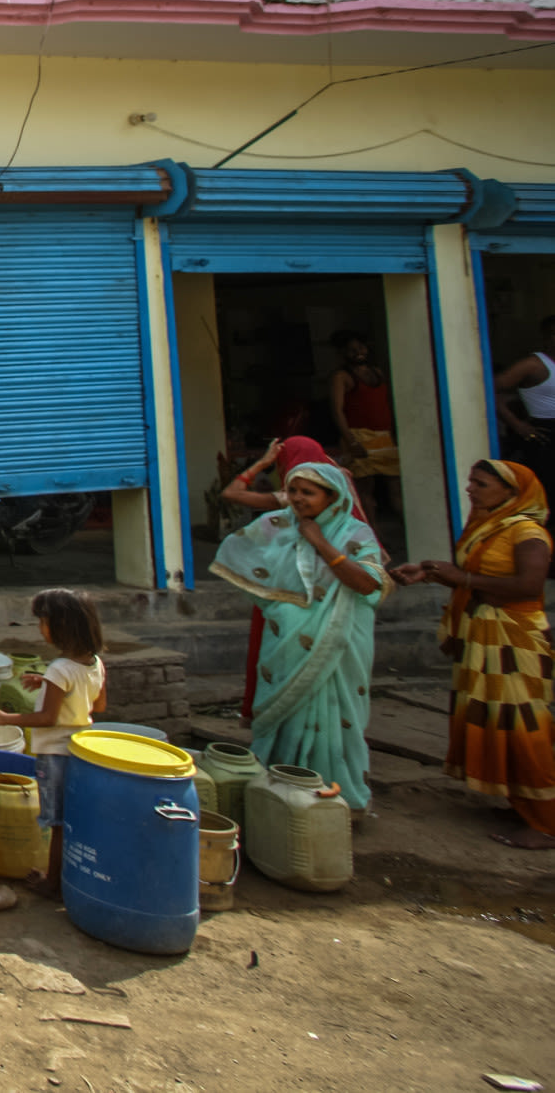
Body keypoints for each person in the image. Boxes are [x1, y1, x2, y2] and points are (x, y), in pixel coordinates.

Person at [390, 460, 555, 849]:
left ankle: (546, 823)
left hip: (514, 640)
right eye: (471, 483)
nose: (471, 490)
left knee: (523, 727)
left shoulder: (528, 532)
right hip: (485, 634)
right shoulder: (487, 526)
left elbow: (529, 585)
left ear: (511, 494)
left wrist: (460, 579)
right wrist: (431, 573)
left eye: (480, 484)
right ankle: (523, 803)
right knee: (497, 721)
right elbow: (475, 573)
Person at [211, 460, 389, 811]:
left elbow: (370, 584)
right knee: (283, 714)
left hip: (340, 640)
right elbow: (238, 558)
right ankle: (279, 793)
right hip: (288, 639)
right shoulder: (277, 525)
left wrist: (320, 543)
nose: (297, 498)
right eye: (292, 490)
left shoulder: (356, 535)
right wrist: (281, 607)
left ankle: (337, 798)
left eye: (308, 492)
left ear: (332, 496)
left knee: (336, 716)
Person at [0, 588, 107, 886]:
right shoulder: (94, 663)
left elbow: (47, 718)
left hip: (54, 754)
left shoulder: (60, 669)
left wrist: (5, 718)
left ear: (63, 626)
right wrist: (50, 685)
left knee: (56, 821)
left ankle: (52, 883)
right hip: (80, 750)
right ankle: (64, 877)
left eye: (43, 622)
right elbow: (98, 705)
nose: (40, 629)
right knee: (71, 818)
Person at [329, 329, 400, 526]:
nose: (357, 352)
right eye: (351, 349)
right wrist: (351, 441)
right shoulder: (341, 377)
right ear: (342, 352)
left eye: (360, 347)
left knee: (397, 493)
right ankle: (375, 539)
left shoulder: (377, 373)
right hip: (359, 438)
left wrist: (395, 433)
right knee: (365, 496)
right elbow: (337, 411)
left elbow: (388, 404)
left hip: (386, 437)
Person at [493, 317, 555, 483]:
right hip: (545, 433)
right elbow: (489, 391)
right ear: (546, 337)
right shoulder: (533, 365)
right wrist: (517, 424)